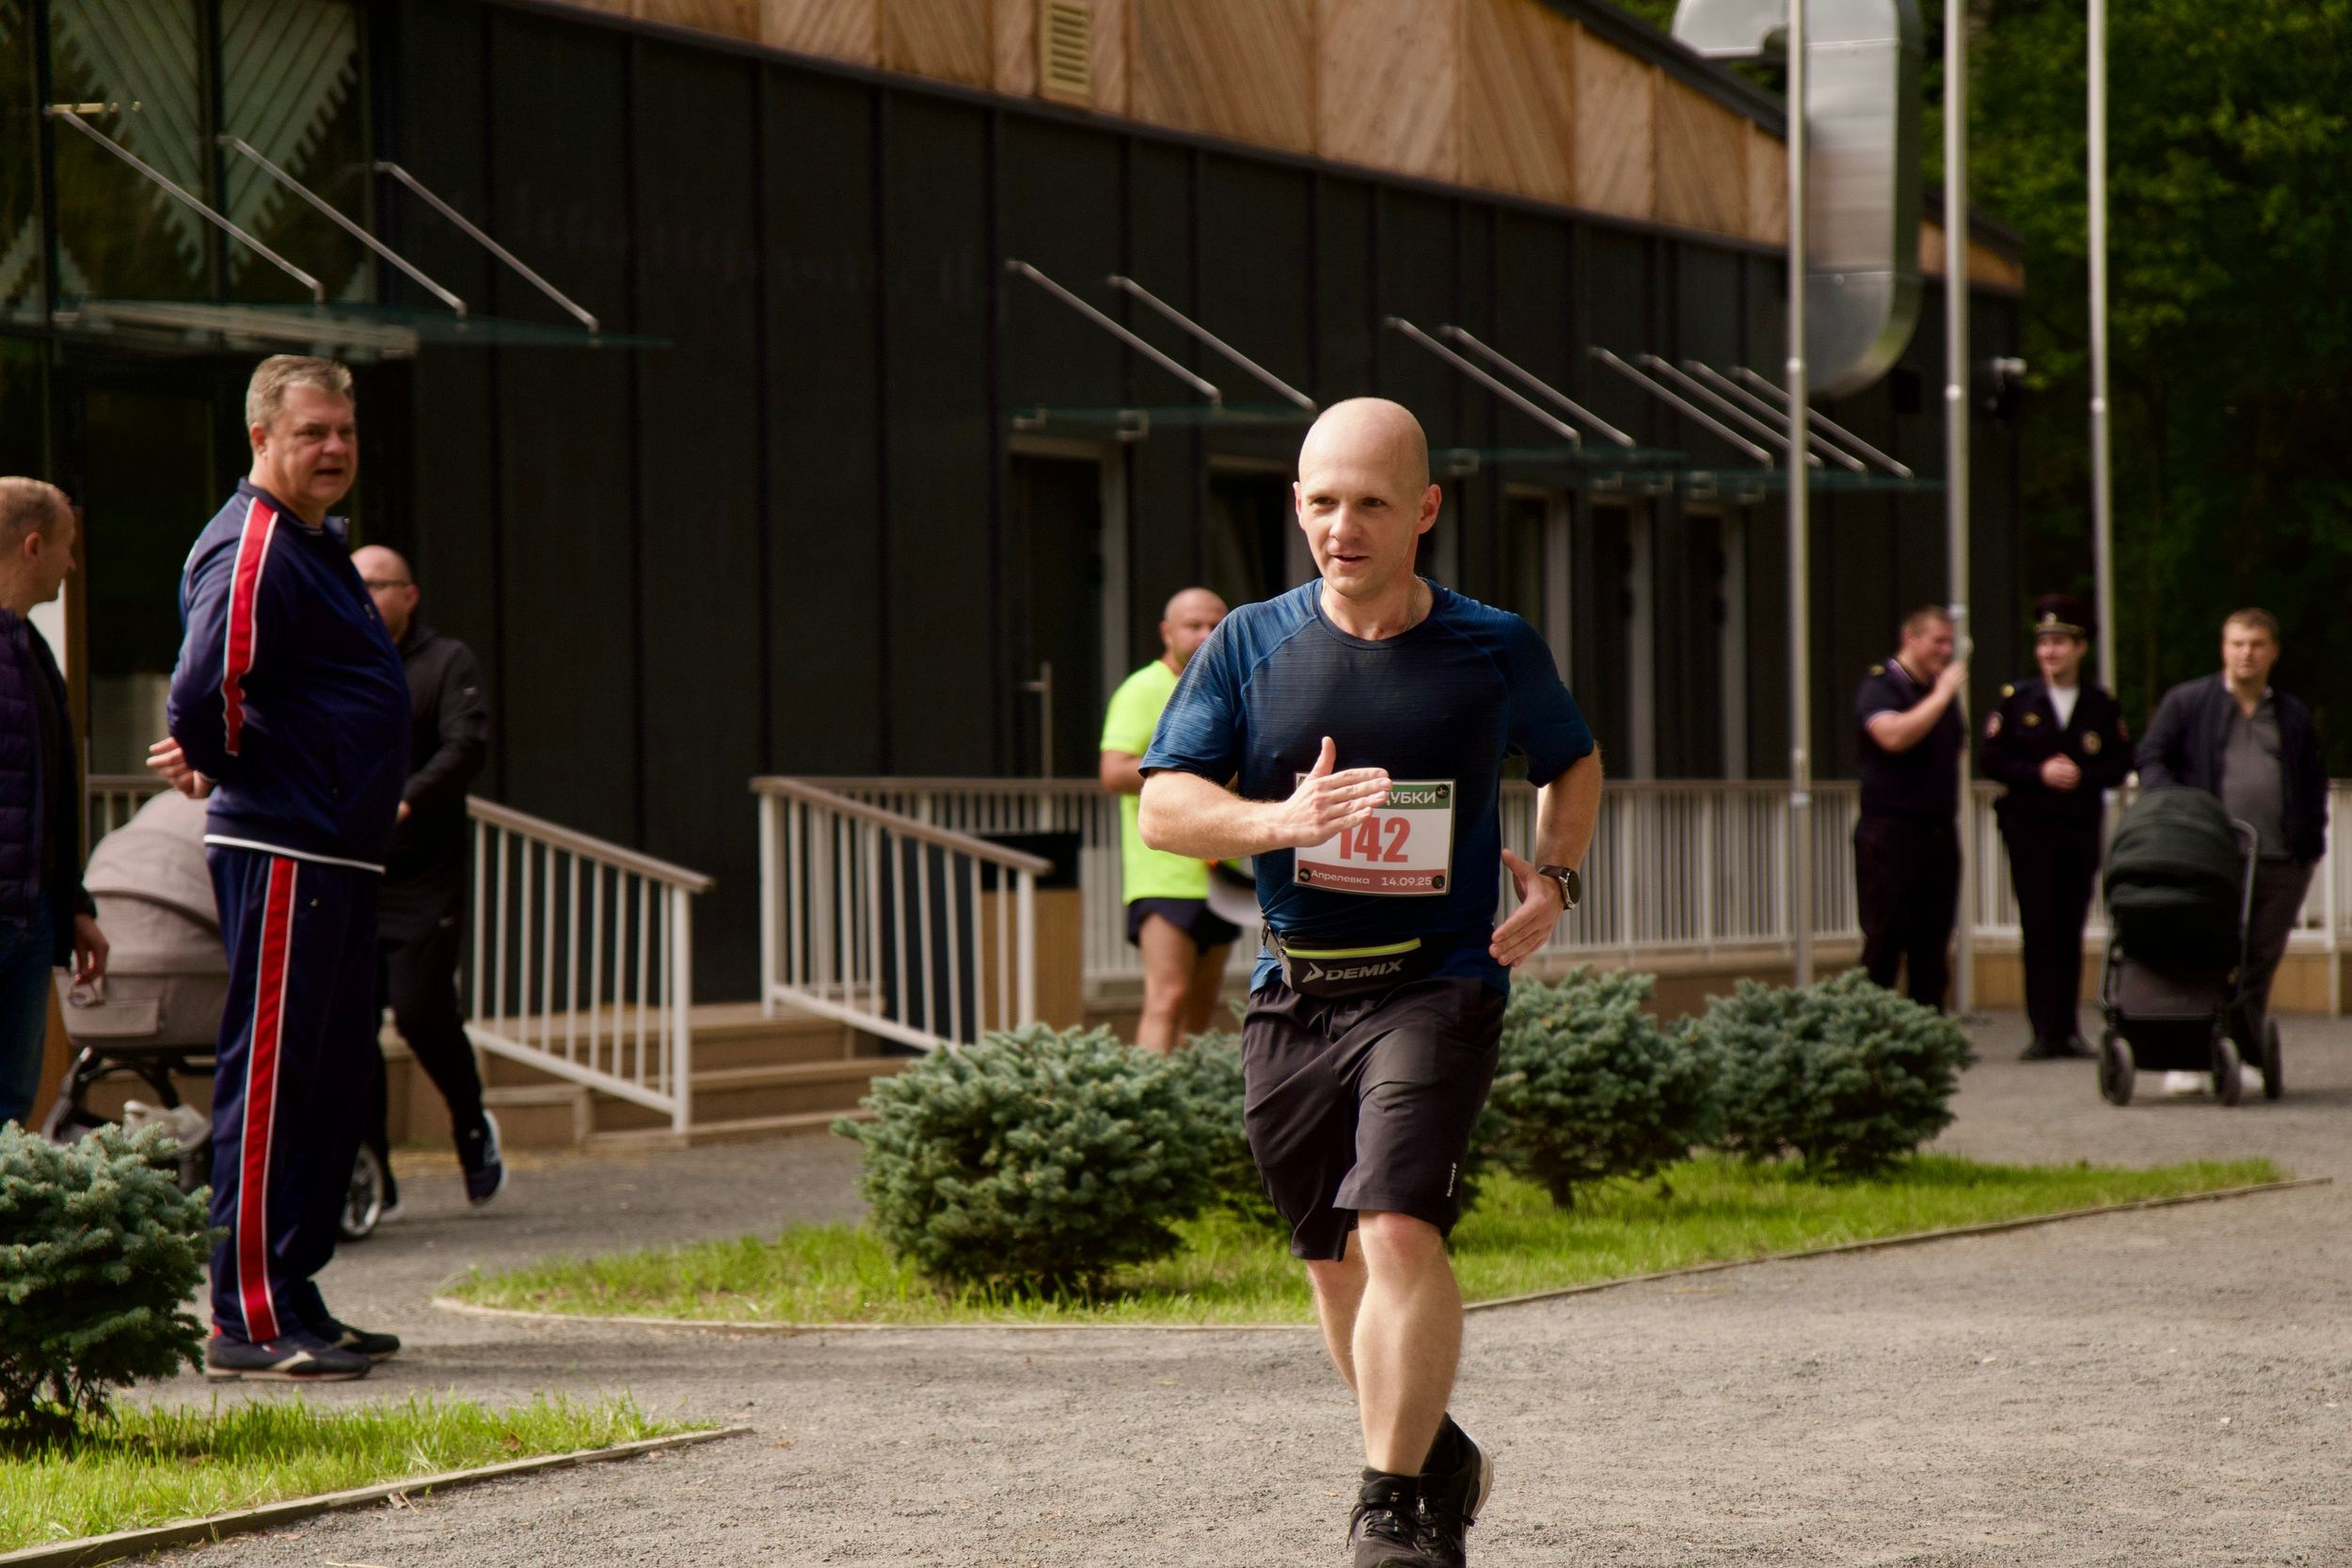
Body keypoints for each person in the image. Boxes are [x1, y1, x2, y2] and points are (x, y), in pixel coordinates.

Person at [1138, 398, 1602, 1568]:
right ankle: (1434, 1450)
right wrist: (1277, 817)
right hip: (1296, 988)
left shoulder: (1493, 643)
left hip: (1438, 981)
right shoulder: (1248, 640)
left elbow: (1573, 759)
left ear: (1426, 511)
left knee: (1396, 1222)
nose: (1343, 526)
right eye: (1323, 501)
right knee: (1331, 1259)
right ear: (1296, 504)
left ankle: (1392, 1509)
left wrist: (1554, 877)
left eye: (1372, 503)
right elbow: (1163, 803)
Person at [147, 356, 410, 1383]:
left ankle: (293, 1288)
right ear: (262, 438)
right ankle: (244, 1317)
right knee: (270, 1077)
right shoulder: (253, 539)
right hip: (285, 845)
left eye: (343, 430)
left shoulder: (316, 543)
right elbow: (206, 679)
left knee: (334, 1077)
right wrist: (219, 756)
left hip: (337, 847)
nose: (334, 447)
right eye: (312, 432)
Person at [349, 545, 501, 1212]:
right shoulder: (334, 658)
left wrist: (407, 797)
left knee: (420, 1012)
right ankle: (375, 1170)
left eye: (376, 584)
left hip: (423, 876)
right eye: (352, 584)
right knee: (352, 1028)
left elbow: (466, 743)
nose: (363, 595)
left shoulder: (447, 662)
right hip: (353, 872)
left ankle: (470, 1124)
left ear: (408, 596)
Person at [2136, 609, 2326, 1055]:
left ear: (2273, 652)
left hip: (2281, 859)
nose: (2247, 654)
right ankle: (2189, 1050)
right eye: (2238, 644)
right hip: (2208, 856)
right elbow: (2151, 758)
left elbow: (2312, 780)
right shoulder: (2188, 703)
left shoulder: (2292, 715)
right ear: (2223, 648)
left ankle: (2241, 1049)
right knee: (2206, 953)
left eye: (2257, 645)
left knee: (2259, 960)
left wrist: (2310, 842)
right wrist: (2177, 808)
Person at [1979, 595, 2131, 1060]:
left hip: (2079, 827)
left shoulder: (2099, 704)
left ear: (2081, 647)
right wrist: (2038, 773)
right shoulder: (2016, 700)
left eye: (2060, 642)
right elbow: (1992, 759)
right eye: (2044, 642)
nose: (2050, 652)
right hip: (2029, 827)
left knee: (2070, 926)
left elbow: (2122, 760)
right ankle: (2043, 1029)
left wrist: (2084, 775)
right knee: (2038, 925)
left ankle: (2068, 1028)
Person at [0, 479, 107, 1125]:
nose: (71, 567)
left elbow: (47, 801)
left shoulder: (32, 652)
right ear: (34, 546)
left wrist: (72, 906)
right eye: (67, 550)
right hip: (15, 914)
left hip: (30, 917)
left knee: (12, 1107)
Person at [1099, 587, 1237, 1053]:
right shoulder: (1143, 688)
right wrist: (1191, 777)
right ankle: (1145, 1112)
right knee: (1167, 997)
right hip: (1163, 872)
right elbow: (1114, 770)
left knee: (1201, 1009)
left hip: (1223, 870)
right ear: (1167, 632)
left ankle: (1185, 1116)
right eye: (1194, 625)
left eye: (1217, 625)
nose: (1207, 635)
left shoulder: (1230, 687)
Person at [1854, 606, 1967, 1010]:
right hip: (1890, 834)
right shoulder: (1882, 687)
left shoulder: (1939, 694)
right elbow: (1893, 737)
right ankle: (1872, 1038)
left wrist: (1940, 697)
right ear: (1910, 638)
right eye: (1937, 640)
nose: (1946, 649)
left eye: (1949, 642)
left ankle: (1928, 1041)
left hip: (1937, 834)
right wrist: (1940, 696)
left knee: (1933, 944)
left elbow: (1955, 748)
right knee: (1886, 940)